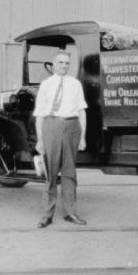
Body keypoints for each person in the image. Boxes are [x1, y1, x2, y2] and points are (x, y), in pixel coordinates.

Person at [33, 49, 88, 228]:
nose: (64, 66)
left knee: (69, 172)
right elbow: (40, 115)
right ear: (53, 64)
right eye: (60, 63)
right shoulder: (46, 85)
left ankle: (70, 213)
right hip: (51, 126)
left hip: (72, 127)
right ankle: (47, 215)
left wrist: (82, 137)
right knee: (50, 171)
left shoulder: (75, 84)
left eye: (66, 63)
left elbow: (81, 112)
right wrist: (40, 140)